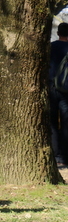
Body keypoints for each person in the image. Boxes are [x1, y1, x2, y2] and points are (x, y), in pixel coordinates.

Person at [50, 22, 68, 167]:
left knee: (52, 123)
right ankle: (65, 154)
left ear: (58, 33)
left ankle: (55, 155)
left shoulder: (50, 47)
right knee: (66, 122)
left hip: (51, 88)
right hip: (66, 90)